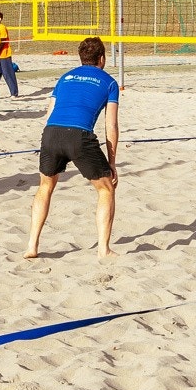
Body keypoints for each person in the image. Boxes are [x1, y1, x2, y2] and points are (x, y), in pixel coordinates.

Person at [24, 36, 120, 260]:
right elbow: (111, 126)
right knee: (106, 189)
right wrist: (112, 163)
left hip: (51, 133)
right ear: (102, 59)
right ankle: (103, 249)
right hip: (79, 135)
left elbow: (48, 115)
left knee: (45, 186)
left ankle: (31, 246)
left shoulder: (65, 77)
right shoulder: (109, 82)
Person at [0, 10, 18, 97]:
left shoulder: (2, 28)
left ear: (0, 19)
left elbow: (3, 42)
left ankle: (14, 93)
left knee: (8, 74)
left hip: (4, 54)